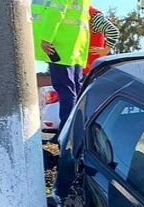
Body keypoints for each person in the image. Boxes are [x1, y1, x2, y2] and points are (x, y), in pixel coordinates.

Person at [32, 0, 91, 134]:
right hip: (74, 45)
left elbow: (56, 12)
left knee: (66, 90)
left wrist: (46, 38)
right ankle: (77, 132)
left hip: (60, 46)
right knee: (75, 90)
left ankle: (66, 133)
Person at [84, 8, 120, 75]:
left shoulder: (92, 14)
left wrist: (105, 51)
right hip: (83, 68)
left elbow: (113, 31)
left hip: (89, 70)